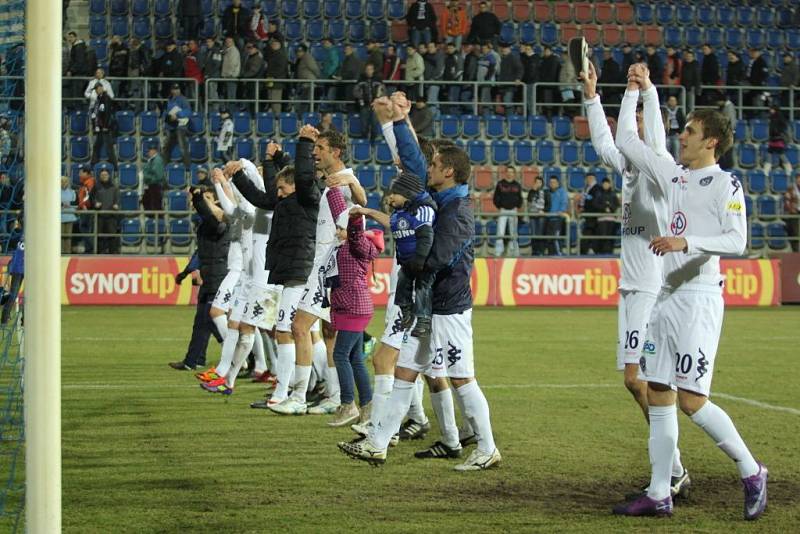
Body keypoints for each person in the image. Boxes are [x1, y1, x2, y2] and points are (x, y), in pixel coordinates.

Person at [613, 63, 766, 520]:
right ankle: (660, 491)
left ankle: (750, 468)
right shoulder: (673, 175)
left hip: (699, 299)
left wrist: (687, 241)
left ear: (711, 141)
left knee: (692, 400)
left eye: (691, 132)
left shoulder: (725, 184)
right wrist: (636, 92)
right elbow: (626, 142)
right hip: (665, 298)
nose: (682, 137)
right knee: (657, 389)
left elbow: (737, 241)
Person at [339, 94, 501, 471]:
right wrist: (398, 122)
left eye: (436, 166)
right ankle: (378, 443)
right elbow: (413, 161)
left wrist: (411, 264)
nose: (429, 170)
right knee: (405, 372)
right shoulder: (443, 199)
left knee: (462, 379)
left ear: (449, 172)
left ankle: (487, 447)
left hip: (449, 309)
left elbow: (439, 259)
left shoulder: (457, 211)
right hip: (429, 309)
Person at [582, 62, 691, 502]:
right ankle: (673, 469)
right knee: (636, 381)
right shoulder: (629, 170)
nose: (639, 131)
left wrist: (640, 91)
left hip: (651, 286)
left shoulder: (660, 166)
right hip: (632, 285)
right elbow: (605, 142)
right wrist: (592, 94)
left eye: (648, 125)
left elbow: (641, 137)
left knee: (641, 379)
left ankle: (672, 470)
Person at [273, 128, 367, 415]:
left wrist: (351, 182)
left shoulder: (343, 181)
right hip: (327, 266)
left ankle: (299, 396)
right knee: (328, 334)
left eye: (320, 148)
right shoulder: (331, 183)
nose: (315, 153)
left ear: (335, 152)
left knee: (300, 327)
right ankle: (336, 395)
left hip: (331, 268)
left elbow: (362, 204)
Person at [227, 142, 320, 402]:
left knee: (291, 331)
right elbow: (265, 195)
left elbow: (298, 176)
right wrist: (271, 161)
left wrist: (293, 150)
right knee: (305, 333)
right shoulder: (288, 201)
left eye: (282, 188)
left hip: (300, 271)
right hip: (292, 271)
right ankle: (311, 387)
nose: (277, 193)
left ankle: (292, 392)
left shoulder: (304, 197)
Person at [194, 159, 271, 389]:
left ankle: (292, 380)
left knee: (274, 333)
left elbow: (247, 193)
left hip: (256, 277)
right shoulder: (247, 210)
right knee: (239, 326)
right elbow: (230, 207)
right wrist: (220, 182)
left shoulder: (259, 209)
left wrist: (242, 167)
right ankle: (226, 376)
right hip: (246, 278)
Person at [323, 187, 384, 426]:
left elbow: (355, 231)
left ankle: (348, 404)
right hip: (352, 305)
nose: (337, 231)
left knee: (340, 354)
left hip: (354, 306)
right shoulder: (345, 246)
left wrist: (354, 215)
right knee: (356, 358)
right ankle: (367, 407)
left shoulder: (357, 244)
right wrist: (332, 192)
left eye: (340, 228)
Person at [170, 187, 232, 371]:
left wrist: (197, 198)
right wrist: (186, 271)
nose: (204, 203)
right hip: (209, 275)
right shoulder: (206, 225)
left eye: (208, 199)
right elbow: (201, 252)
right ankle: (194, 360)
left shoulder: (221, 222)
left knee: (210, 319)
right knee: (201, 321)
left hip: (218, 276)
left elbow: (208, 215)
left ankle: (241, 356)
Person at [384, 171, 437, 337]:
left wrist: (420, 259)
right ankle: (406, 311)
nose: (390, 197)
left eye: (394, 193)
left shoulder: (422, 211)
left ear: (406, 194)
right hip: (406, 262)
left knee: (423, 288)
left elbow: (426, 237)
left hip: (423, 262)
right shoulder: (399, 213)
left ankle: (423, 321)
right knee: (402, 283)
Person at [493, 166, 523, 257]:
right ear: (505, 173)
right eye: (508, 172)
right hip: (503, 210)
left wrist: (518, 206)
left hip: (513, 210)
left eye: (512, 172)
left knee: (513, 232)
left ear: (514, 174)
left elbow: (520, 198)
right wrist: (500, 206)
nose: (510, 173)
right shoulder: (500, 184)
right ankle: (498, 252)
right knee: (500, 232)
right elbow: (495, 198)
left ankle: (514, 252)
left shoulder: (517, 185)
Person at [91, 169, 120, 254]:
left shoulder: (114, 187)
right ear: (100, 177)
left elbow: (117, 199)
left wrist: (116, 204)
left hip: (111, 215)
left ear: (109, 176)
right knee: (99, 236)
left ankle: (113, 253)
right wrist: (95, 203)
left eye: (106, 175)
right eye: (102, 175)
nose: (104, 176)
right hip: (99, 215)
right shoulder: (96, 187)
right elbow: (91, 198)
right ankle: (99, 252)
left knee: (112, 236)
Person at [353, 63, 385, 141]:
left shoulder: (378, 80)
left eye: (370, 69)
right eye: (367, 69)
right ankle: (364, 141)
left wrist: (378, 99)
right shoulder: (361, 79)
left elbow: (383, 91)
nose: (369, 71)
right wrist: (361, 99)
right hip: (364, 105)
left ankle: (374, 140)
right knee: (364, 124)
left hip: (375, 106)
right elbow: (355, 91)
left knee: (374, 123)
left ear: (373, 70)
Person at [1, 216, 23, 324]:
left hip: (17, 268)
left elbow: (11, 245)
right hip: (22, 268)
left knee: (13, 294)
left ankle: (4, 319)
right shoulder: (33, 234)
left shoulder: (16, 234)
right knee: (30, 295)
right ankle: (25, 319)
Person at [163, 84, 191, 168]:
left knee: (182, 148)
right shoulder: (169, 100)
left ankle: (187, 168)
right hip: (171, 127)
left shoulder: (183, 100)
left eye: (178, 89)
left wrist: (178, 114)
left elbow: (188, 112)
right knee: (167, 147)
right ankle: (163, 166)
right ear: (171, 90)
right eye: (174, 89)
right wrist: (167, 118)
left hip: (180, 126)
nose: (176, 91)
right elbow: (165, 113)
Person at [89, 84, 117, 168]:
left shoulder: (105, 98)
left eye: (97, 89)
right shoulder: (100, 98)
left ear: (101, 88)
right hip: (101, 127)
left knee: (108, 146)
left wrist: (105, 126)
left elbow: (107, 112)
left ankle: (114, 166)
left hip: (105, 128)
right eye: (96, 90)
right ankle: (93, 163)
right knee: (98, 145)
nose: (96, 91)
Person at [591, 177, 619, 254]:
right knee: (603, 236)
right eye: (604, 184)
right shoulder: (598, 193)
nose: (606, 185)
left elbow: (617, 204)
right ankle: (602, 253)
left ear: (609, 184)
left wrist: (610, 207)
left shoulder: (613, 194)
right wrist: (604, 208)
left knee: (610, 237)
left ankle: (609, 252)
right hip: (601, 219)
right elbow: (595, 204)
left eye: (607, 184)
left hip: (612, 219)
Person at [576, 173, 601, 255]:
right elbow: (584, 199)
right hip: (586, 214)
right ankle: (588, 250)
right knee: (589, 233)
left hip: (592, 215)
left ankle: (585, 251)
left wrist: (586, 200)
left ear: (594, 179)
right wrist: (580, 206)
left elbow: (594, 200)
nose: (589, 180)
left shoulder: (597, 188)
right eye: (587, 178)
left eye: (591, 178)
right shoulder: (586, 188)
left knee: (588, 233)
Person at [764, 106, 793, 175]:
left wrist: (778, 131)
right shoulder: (771, 118)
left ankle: (789, 170)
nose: (771, 111)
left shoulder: (780, 118)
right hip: (772, 140)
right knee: (769, 155)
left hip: (778, 140)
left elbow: (783, 127)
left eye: (772, 109)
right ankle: (766, 171)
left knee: (781, 155)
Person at [543, 175, 568, 255]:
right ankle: (551, 256)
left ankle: (558, 255)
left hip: (557, 219)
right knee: (549, 240)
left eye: (554, 182)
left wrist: (561, 210)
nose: (552, 184)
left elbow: (564, 203)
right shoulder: (547, 192)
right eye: (551, 182)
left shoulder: (562, 192)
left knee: (556, 239)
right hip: (548, 219)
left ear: (558, 183)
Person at [294, 45, 321, 115]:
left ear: (304, 52)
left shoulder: (307, 57)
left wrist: (318, 78)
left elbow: (314, 69)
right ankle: (302, 116)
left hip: (309, 83)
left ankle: (302, 117)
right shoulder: (302, 58)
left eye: (300, 52)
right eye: (297, 52)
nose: (298, 53)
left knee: (305, 102)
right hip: (305, 83)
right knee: (304, 101)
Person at [264, 39, 289, 114]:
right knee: (271, 100)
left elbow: (280, 69)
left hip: (277, 82)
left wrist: (270, 74)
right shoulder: (272, 54)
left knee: (275, 102)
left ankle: (277, 118)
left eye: (275, 44)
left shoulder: (281, 55)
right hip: (271, 80)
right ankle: (274, 118)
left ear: (279, 45)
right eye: (272, 44)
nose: (273, 46)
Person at [497, 43, 523, 114]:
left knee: (507, 101)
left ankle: (510, 118)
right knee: (505, 102)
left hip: (510, 85)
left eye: (505, 48)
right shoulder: (502, 58)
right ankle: (508, 117)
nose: (503, 50)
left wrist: (518, 78)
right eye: (503, 48)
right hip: (503, 85)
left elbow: (520, 69)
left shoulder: (513, 58)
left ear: (509, 49)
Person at [240, 42, 265, 111]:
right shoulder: (250, 57)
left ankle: (255, 117)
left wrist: (243, 76)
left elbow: (253, 71)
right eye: (248, 48)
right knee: (252, 101)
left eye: (251, 48)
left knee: (254, 102)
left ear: (256, 49)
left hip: (255, 83)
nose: (250, 50)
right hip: (251, 82)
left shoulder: (257, 58)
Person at [77, 166, 96, 254]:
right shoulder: (85, 183)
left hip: (87, 209)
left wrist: (84, 206)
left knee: (85, 228)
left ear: (86, 173)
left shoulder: (89, 183)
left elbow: (88, 196)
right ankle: (89, 248)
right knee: (85, 228)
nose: (79, 174)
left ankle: (90, 248)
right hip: (84, 208)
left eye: (81, 172)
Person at [200, 38, 223, 108]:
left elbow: (217, 64)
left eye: (209, 42)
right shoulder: (208, 51)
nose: (208, 43)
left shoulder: (216, 51)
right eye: (207, 42)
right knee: (209, 95)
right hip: (208, 76)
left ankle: (216, 111)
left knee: (213, 94)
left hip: (213, 76)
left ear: (213, 42)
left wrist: (209, 74)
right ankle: (210, 111)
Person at [142, 144, 166, 211]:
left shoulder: (157, 160)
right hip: (151, 186)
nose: (148, 152)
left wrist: (147, 177)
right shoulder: (152, 160)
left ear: (154, 151)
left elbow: (159, 176)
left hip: (155, 186)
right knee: (147, 202)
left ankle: (157, 220)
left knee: (155, 205)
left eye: (149, 151)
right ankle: (152, 219)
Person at [664, 95, 685, 160]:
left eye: (674, 100)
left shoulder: (679, 111)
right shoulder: (665, 111)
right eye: (671, 100)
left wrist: (681, 132)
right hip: (667, 134)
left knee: (676, 149)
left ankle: (677, 165)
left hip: (676, 134)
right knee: (666, 149)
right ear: (668, 102)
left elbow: (683, 122)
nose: (672, 102)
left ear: (676, 102)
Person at [221, 37, 241, 101]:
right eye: (226, 42)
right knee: (228, 95)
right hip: (227, 76)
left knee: (231, 95)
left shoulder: (234, 51)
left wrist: (228, 74)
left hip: (231, 76)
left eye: (229, 41)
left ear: (233, 42)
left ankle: (232, 110)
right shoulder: (227, 50)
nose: (227, 43)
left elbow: (232, 64)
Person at [784, 173, 800, 252]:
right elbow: (787, 201)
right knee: (795, 233)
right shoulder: (791, 189)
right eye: (799, 178)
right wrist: (792, 210)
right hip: (794, 214)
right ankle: (796, 251)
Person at [61, 176, 77, 254]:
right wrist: (61, 204)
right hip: (59, 217)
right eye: (62, 181)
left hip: (70, 217)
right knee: (60, 236)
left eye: (66, 181)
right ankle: (60, 252)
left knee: (68, 236)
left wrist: (69, 205)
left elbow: (76, 204)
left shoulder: (72, 192)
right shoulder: (54, 192)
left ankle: (67, 252)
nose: (64, 183)